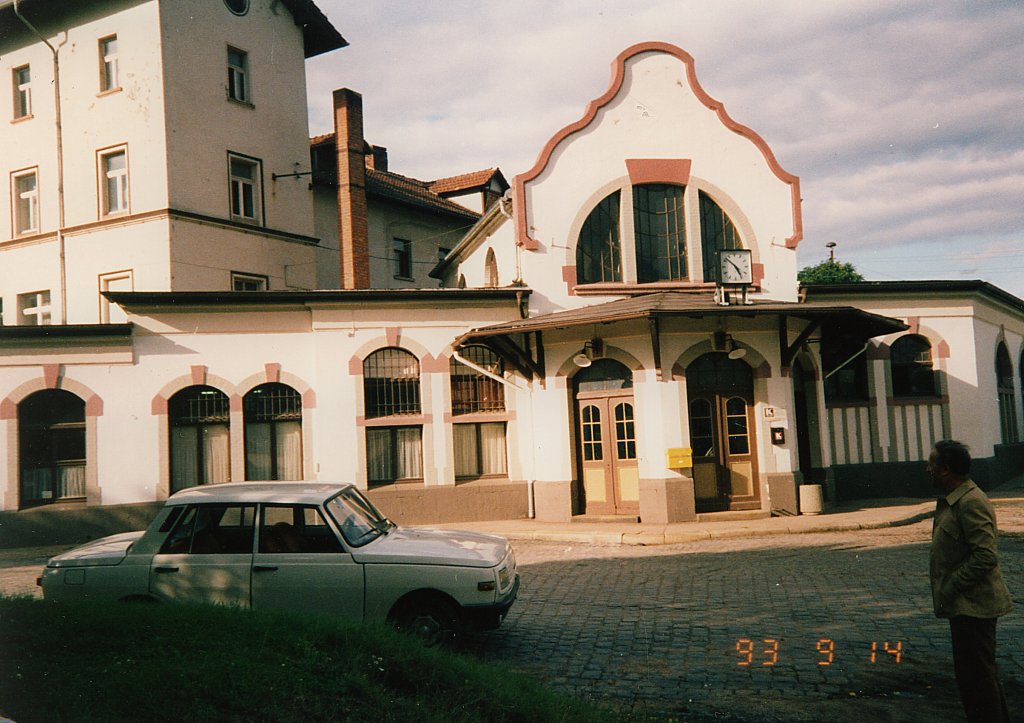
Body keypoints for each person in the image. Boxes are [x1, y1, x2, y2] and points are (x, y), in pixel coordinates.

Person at [927, 440, 1014, 722]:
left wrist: (950, 588)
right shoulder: (955, 499)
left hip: (975, 606)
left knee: (978, 679)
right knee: (976, 677)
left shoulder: (970, 502)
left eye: (932, 463)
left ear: (945, 469)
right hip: (965, 605)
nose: (927, 469)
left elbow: (985, 557)